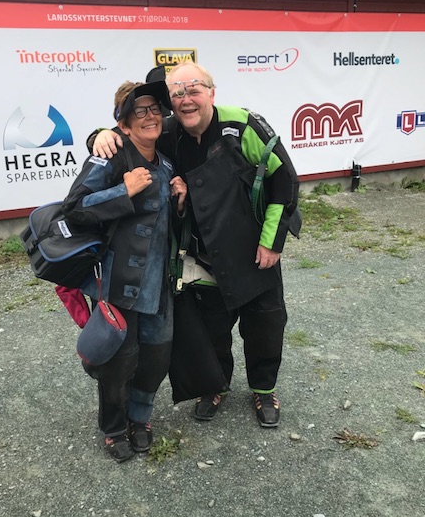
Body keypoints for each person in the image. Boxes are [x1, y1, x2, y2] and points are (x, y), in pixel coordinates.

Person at [91, 61, 300, 428]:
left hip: (255, 249)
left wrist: (272, 243)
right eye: (178, 93)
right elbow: (129, 134)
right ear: (171, 102)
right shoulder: (169, 131)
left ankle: (263, 389)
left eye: (194, 90)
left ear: (211, 93)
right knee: (211, 328)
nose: (186, 99)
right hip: (204, 254)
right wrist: (100, 135)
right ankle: (214, 386)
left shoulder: (243, 125)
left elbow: (285, 182)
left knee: (265, 324)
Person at [62, 80, 187, 462]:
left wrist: (180, 203)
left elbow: (166, 226)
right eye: (139, 110)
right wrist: (124, 191)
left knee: (156, 359)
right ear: (124, 123)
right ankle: (114, 428)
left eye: (154, 109)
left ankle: (140, 418)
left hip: (159, 287)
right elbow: (75, 207)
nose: (150, 116)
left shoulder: (166, 163)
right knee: (119, 363)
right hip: (119, 285)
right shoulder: (111, 157)